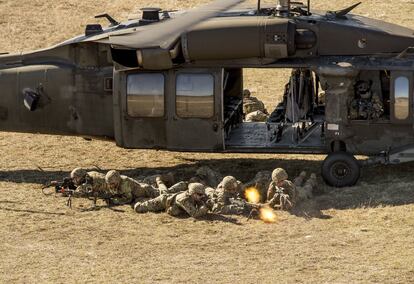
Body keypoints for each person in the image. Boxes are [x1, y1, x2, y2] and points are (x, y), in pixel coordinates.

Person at [134, 183, 209, 219]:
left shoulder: (195, 197)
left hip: (174, 204)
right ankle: (140, 200)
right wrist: (204, 207)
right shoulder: (184, 199)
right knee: (139, 208)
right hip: (163, 201)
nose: (202, 196)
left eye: (202, 194)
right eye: (199, 194)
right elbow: (195, 214)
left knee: (175, 211)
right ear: (193, 193)